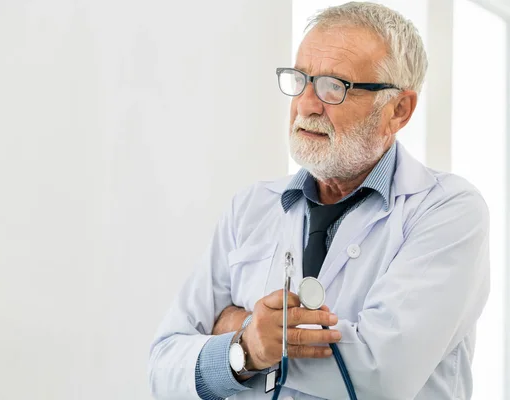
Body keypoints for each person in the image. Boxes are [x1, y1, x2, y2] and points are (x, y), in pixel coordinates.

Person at [147, 2, 490, 399]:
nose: (306, 104)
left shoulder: (447, 211)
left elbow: (381, 376)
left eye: (333, 86)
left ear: (398, 110)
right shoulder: (251, 207)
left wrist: (233, 331)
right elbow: (163, 366)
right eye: (300, 79)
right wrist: (245, 349)